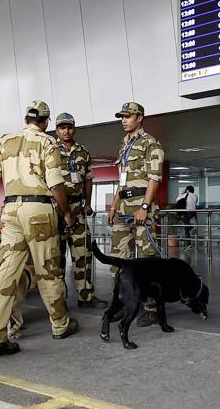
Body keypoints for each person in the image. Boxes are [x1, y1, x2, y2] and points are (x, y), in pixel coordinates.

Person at [0, 101, 79, 355]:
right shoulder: (47, 143)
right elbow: (56, 185)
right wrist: (67, 213)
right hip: (38, 210)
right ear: (46, 122)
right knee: (48, 270)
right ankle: (60, 324)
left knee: (5, 273)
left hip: (10, 211)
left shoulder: (5, 142)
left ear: (25, 118)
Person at [107, 101, 165, 327]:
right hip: (123, 207)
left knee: (148, 260)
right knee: (119, 258)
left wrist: (144, 206)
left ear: (139, 117)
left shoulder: (151, 143)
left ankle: (151, 308)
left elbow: (155, 178)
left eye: (128, 116)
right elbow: (121, 182)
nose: (123, 120)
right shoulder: (124, 145)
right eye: (122, 116)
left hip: (142, 206)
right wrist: (113, 206)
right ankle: (123, 303)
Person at [54, 112, 107, 309]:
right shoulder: (50, 150)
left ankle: (86, 296)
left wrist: (88, 203)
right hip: (57, 209)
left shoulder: (83, 152)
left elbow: (88, 179)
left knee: (83, 254)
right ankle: (59, 300)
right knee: (57, 257)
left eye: (69, 127)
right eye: (62, 128)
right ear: (57, 130)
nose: (66, 131)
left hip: (78, 209)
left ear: (74, 128)